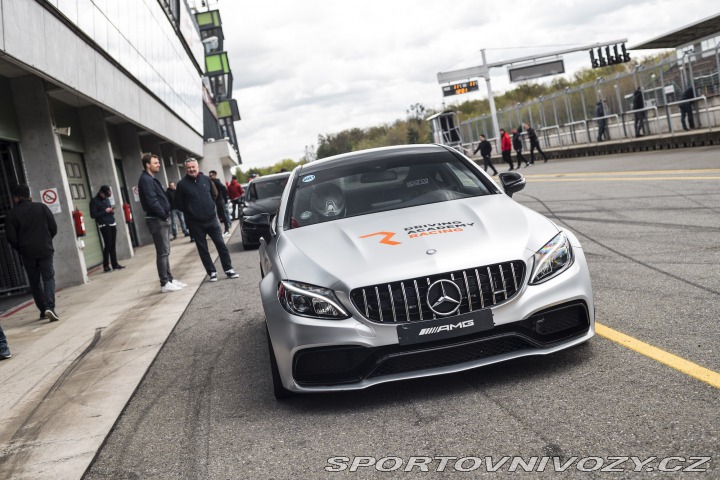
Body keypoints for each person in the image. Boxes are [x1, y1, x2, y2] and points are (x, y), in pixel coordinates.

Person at [175, 158, 240, 282]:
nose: (191, 169)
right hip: (195, 223)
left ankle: (228, 269)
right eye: (188, 168)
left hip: (211, 220)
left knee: (221, 245)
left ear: (198, 167)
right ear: (185, 169)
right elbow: (179, 203)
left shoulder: (206, 180)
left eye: (193, 167)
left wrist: (209, 207)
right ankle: (212, 272)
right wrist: (191, 211)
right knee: (203, 249)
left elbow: (214, 195)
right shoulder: (182, 185)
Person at [5, 184, 60, 321]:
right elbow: (53, 227)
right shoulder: (41, 207)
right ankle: (49, 307)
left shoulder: (11, 214)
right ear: (28, 195)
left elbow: (10, 237)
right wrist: (47, 241)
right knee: (48, 278)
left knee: (35, 282)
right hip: (45, 249)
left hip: (27, 253)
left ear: (17, 197)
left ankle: (42, 310)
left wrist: (21, 248)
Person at [137, 153, 186, 293]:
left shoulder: (150, 179)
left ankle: (169, 279)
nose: (158, 164)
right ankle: (164, 283)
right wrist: (164, 215)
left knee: (165, 252)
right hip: (157, 219)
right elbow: (152, 201)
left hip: (160, 218)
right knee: (162, 252)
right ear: (148, 165)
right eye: (156, 162)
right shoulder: (146, 180)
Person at [90, 185, 125, 273]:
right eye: (105, 195)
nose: (106, 197)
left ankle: (115, 264)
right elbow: (93, 215)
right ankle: (106, 266)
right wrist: (105, 211)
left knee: (112, 245)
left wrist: (111, 211)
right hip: (104, 224)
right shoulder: (94, 201)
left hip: (112, 222)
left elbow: (108, 211)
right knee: (108, 244)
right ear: (101, 192)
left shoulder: (107, 199)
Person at [208, 170, 232, 236]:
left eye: (211, 175)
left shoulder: (216, 181)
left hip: (219, 201)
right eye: (209, 175)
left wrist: (224, 198)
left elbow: (224, 188)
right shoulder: (211, 182)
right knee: (218, 216)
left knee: (223, 215)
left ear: (215, 175)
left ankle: (227, 229)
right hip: (216, 201)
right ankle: (222, 229)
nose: (209, 177)